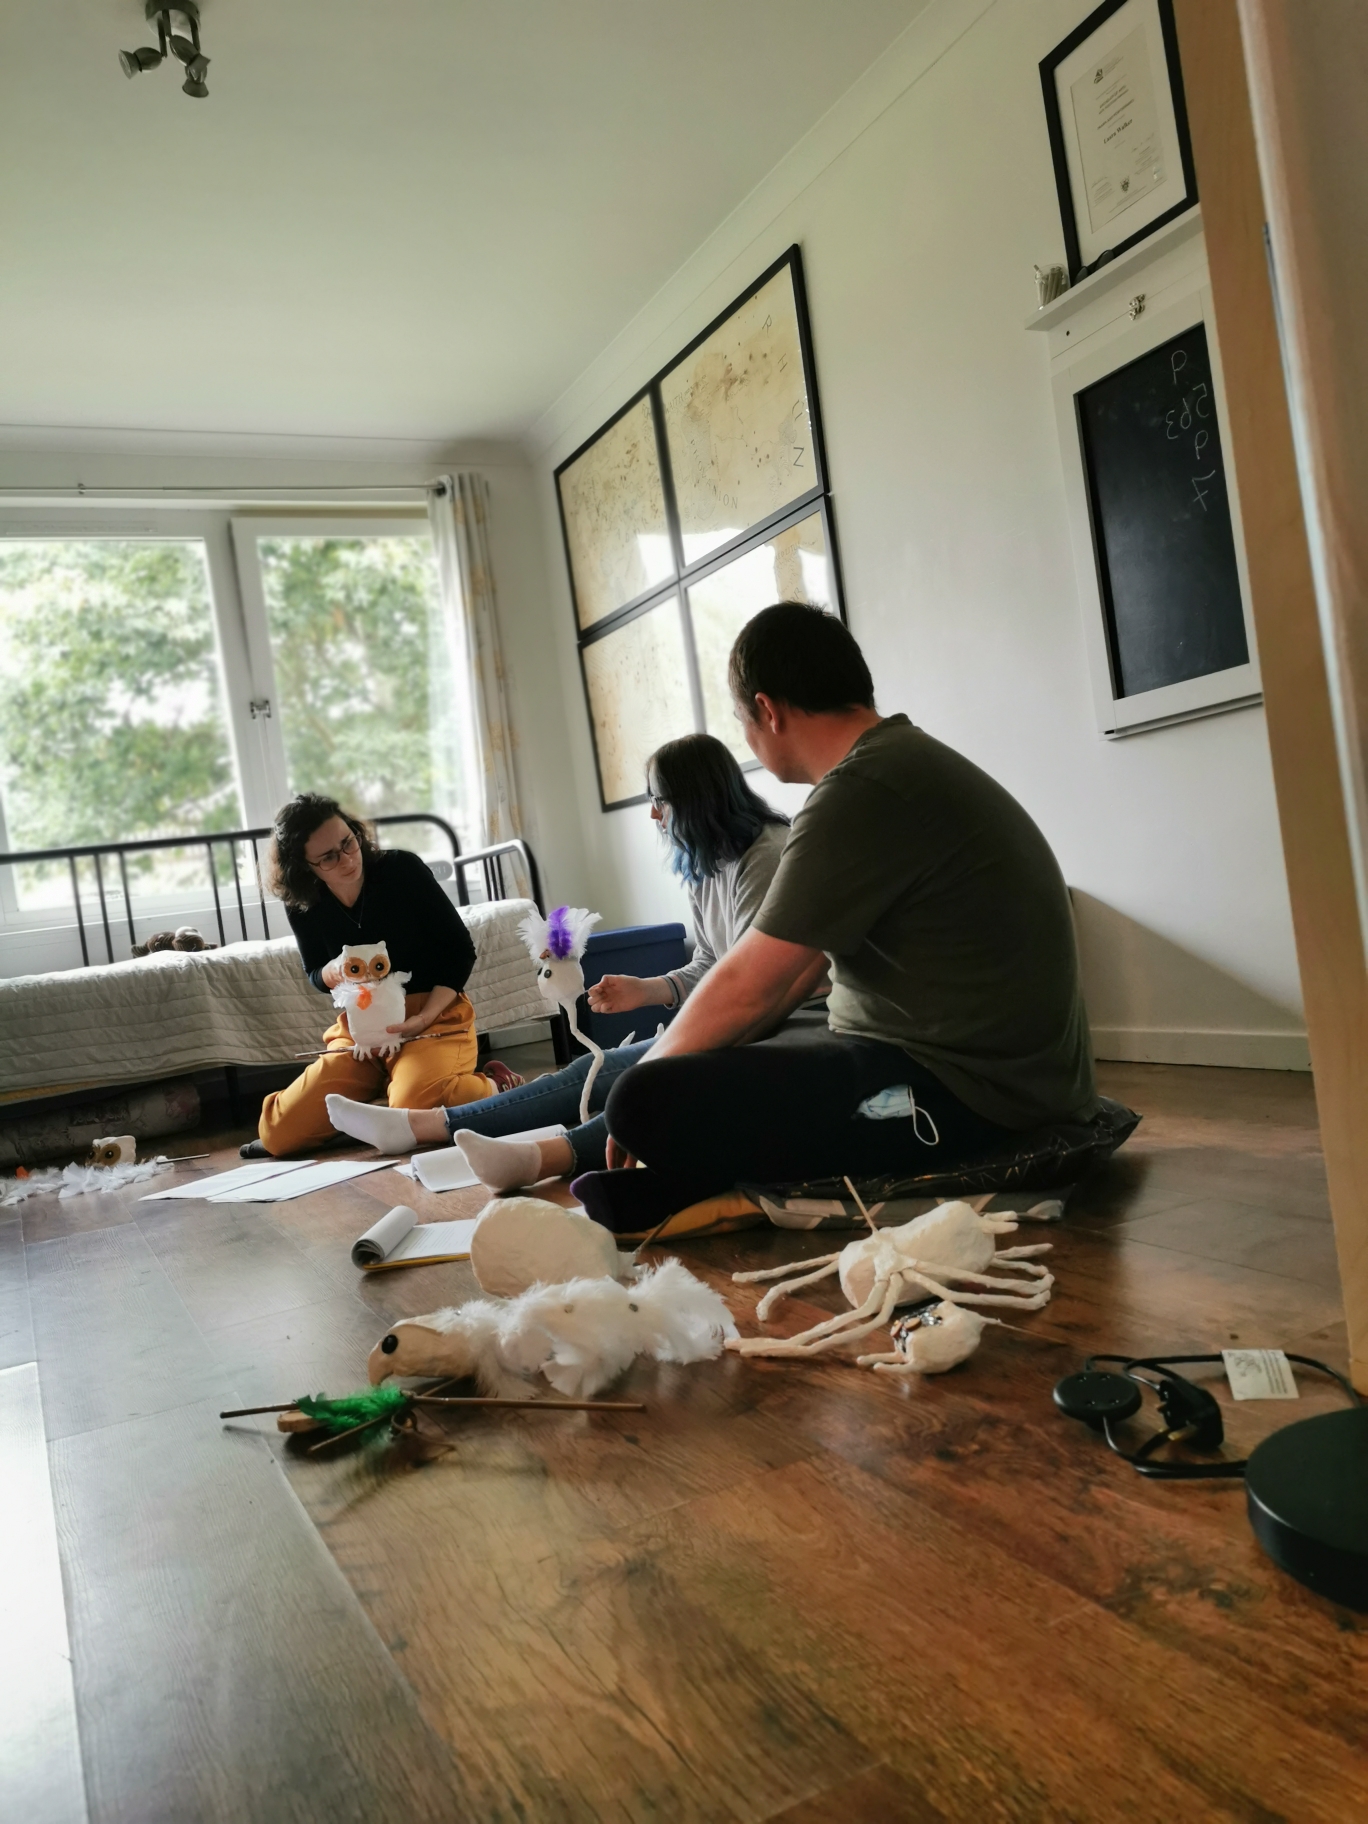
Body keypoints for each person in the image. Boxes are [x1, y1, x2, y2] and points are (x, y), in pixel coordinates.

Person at [571, 601, 1099, 1233]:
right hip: (999, 1077)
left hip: (967, 1097)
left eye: (743, 720)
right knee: (695, 1077)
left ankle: (687, 1183)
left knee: (643, 1097)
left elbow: (753, 984)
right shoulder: (900, 763)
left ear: (767, 710)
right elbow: (796, 977)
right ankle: (686, 1180)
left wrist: (648, 1085)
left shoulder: (859, 790)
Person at [323, 732, 812, 1184]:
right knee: (587, 1071)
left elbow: (755, 988)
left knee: (642, 1081)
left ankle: (535, 1159)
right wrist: (647, 989)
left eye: (658, 800)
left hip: (776, 1027)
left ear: (695, 798)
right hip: (740, 1023)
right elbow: (709, 964)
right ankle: (422, 1125)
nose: (653, 815)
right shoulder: (709, 866)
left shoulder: (764, 858)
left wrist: (681, 1040)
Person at [248, 794, 522, 1157]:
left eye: (348, 843)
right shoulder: (303, 902)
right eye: (329, 857)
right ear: (305, 867)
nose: (347, 859)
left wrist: (423, 1017)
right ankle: (384, 1096)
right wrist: (332, 971)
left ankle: (494, 1087)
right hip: (362, 1030)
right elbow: (314, 973)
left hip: (432, 1017)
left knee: (415, 1107)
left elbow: (460, 951)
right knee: (278, 1134)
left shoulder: (401, 870)